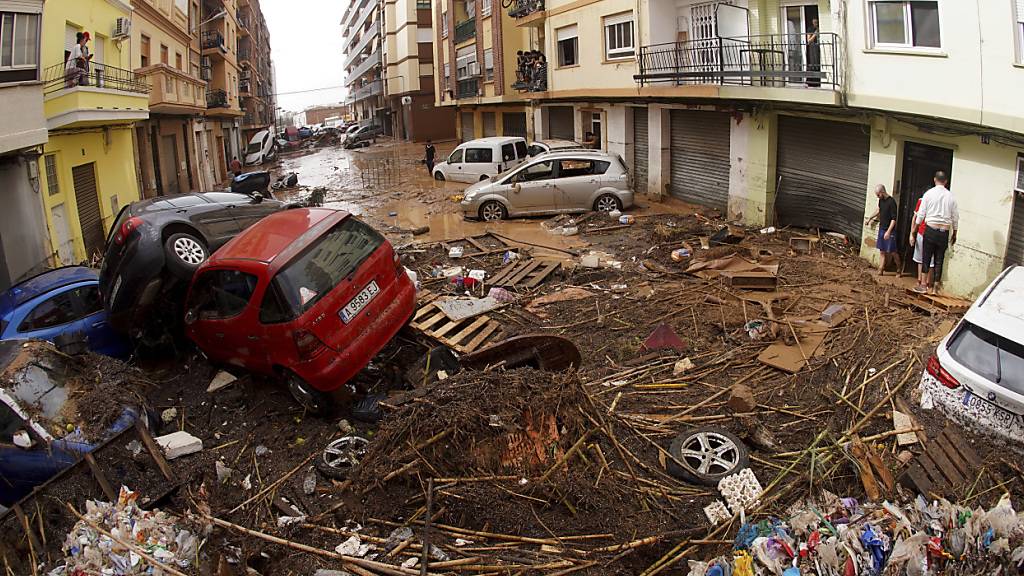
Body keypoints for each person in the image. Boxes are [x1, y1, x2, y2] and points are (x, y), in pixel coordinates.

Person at [911, 171, 958, 294]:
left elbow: (920, 215)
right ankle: (936, 287)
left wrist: (915, 230)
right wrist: (955, 233)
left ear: (934, 180)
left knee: (926, 257)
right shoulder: (951, 196)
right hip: (944, 232)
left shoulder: (928, 194)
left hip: (930, 230)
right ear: (946, 182)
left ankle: (923, 285)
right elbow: (955, 217)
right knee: (939, 259)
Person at [865, 184, 900, 275]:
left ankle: (899, 268)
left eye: (878, 195)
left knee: (892, 252)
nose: (877, 197)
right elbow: (879, 210)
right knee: (882, 251)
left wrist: (888, 231)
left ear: (882, 192)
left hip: (889, 230)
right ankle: (880, 269)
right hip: (882, 228)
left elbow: (894, 219)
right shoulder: (881, 200)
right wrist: (870, 218)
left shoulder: (891, 202)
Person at [910, 196, 934, 289]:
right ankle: (919, 280)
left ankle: (928, 283)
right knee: (920, 258)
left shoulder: (938, 202)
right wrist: (912, 234)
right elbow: (915, 217)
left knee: (930, 260)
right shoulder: (921, 200)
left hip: (931, 233)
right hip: (921, 232)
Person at [805, 18, 820, 87]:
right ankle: (812, 82)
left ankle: (818, 81)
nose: (815, 23)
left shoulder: (820, 27)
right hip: (813, 48)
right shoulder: (810, 29)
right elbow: (809, 40)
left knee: (818, 63)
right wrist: (815, 34)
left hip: (818, 47)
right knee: (813, 63)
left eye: (816, 22)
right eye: (814, 22)